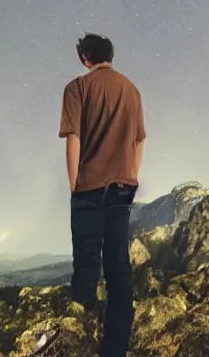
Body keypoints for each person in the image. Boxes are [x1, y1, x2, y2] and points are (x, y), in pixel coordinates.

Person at [58, 33, 146, 357]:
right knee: (118, 270)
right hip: (123, 187)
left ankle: (79, 343)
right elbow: (138, 142)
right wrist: (131, 178)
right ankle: (114, 349)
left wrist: (74, 185)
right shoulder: (132, 90)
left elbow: (73, 138)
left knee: (85, 266)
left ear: (85, 58)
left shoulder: (77, 88)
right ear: (111, 55)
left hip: (89, 188)